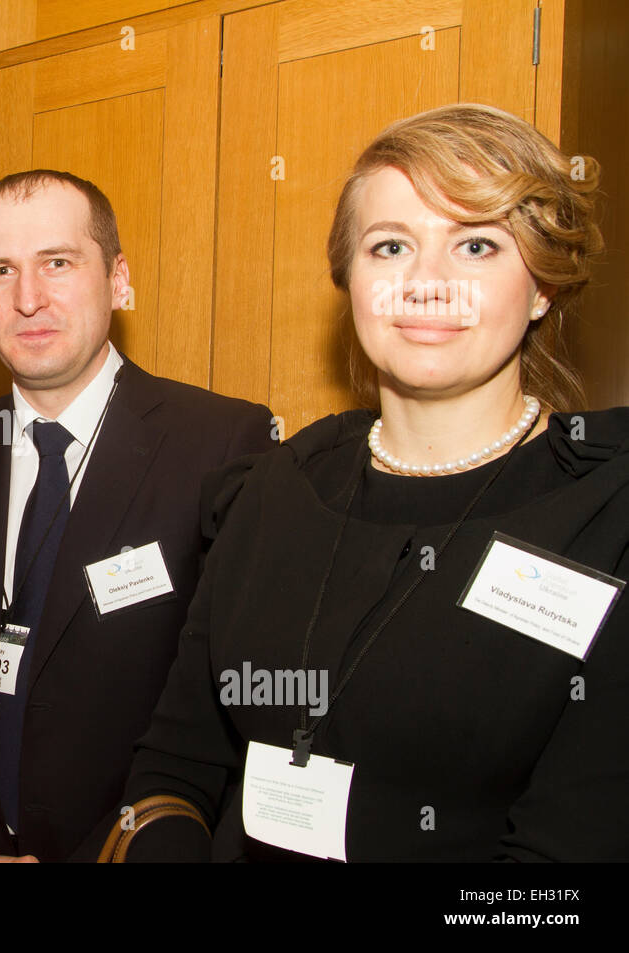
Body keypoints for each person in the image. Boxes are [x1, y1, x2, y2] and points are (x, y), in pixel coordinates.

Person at [107, 103, 627, 862]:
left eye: (476, 244)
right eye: (390, 246)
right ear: (350, 280)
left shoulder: (607, 519)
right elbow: (174, 767)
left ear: (542, 287)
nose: (427, 283)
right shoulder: (273, 488)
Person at [0, 170, 275, 862]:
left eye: (57, 263)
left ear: (119, 280)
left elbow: (230, 707)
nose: (28, 299)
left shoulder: (221, 444)